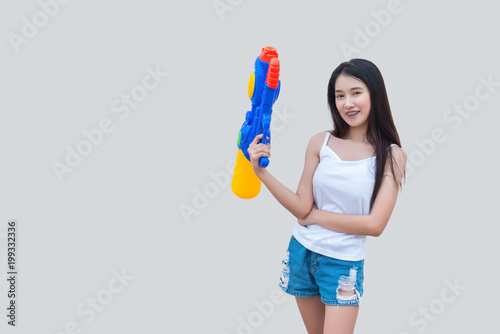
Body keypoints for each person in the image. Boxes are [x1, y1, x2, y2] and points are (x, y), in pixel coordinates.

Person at [247, 58, 407, 334]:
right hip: (303, 252)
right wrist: (261, 174)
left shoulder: (392, 155)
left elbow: (375, 225)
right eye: (339, 96)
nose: (347, 103)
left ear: (375, 94)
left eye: (356, 93)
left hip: (343, 263)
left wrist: (316, 216)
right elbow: (301, 207)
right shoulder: (319, 142)